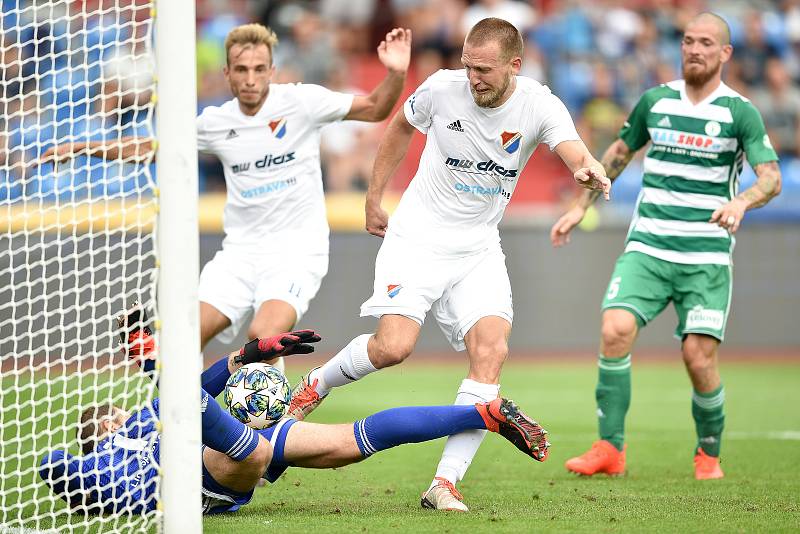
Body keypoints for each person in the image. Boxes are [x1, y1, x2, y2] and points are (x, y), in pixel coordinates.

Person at [288, 17, 610, 511]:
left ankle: (444, 483)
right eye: (467, 66)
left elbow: (572, 149)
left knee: (492, 352)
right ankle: (315, 385)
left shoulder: (539, 104)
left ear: (514, 66)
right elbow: (398, 127)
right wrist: (375, 198)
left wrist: (584, 166)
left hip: (478, 248)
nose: (473, 77)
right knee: (393, 348)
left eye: (483, 69)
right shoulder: (441, 89)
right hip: (416, 238)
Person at [38, 23, 412, 371]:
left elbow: (376, 108)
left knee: (262, 338)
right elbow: (149, 147)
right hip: (239, 253)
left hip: (296, 252)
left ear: (272, 70)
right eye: (242, 69)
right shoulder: (215, 123)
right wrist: (83, 146)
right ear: (227, 74)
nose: (251, 79)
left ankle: (268, 425)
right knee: (182, 339)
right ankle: (193, 422)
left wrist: (395, 73)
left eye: (259, 68)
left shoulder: (301, 103)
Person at [549, 12, 782, 480]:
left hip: (705, 256)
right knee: (614, 328)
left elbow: (771, 178)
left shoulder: (740, 112)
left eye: (706, 42)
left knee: (698, 356)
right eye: (689, 40)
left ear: (725, 53)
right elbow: (616, 154)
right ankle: (609, 449)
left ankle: (709, 454)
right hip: (649, 246)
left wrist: (741, 202)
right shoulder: (655, 101)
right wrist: (581, 207)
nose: (695, 49)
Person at [38, 307, 550, 515]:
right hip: (209, 473)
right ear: (101, 433)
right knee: (201, 414)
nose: (110, 418)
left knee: (348, 443)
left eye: (107, 414)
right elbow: (84, 482)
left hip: (227, 447)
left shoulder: (143, 419)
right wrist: (63, 466)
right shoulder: (116, 453)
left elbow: (208, 381)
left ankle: (483, 415)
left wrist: (253, 354)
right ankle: (156, 363)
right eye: (102, 421)